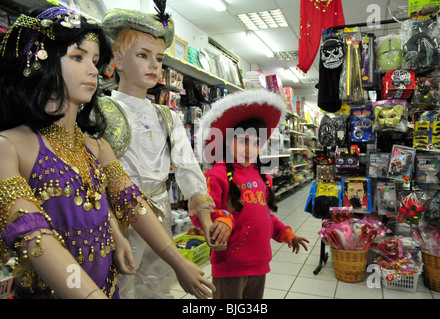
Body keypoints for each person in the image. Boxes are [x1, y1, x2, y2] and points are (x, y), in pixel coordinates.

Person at [0, 5, 213, 299]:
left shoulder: (95, 146)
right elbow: (35, 236)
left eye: (95, 60)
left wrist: (177, 260)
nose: (93, 70)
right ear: (41, 60)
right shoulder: (10, 146)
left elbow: (131, 202)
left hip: (110, 279)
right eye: (78, 57)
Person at [100, 3, 219, 299]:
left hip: (162, 215)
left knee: (157, 284)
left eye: (159, 58)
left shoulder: (168, 116)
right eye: (143, 55)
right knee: (120, 286)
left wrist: (205, 217)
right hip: (118, 218)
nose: (154, 65)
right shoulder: (102, 110)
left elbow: (188, 167)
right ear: (117, 58)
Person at [192, 89, 310, 299]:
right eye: (244, 140)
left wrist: (286, 234)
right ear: (228, 141)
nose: (251, 148)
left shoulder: (262, 177)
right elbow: (197, 211)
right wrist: (222, 218)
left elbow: (263, 217)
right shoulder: (217, 175)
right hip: (230, 265)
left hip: (259, 264)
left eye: (257, 143)